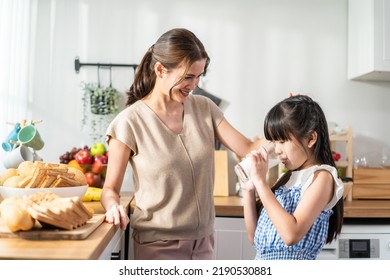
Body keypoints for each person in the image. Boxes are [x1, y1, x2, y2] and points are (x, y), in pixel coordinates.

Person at [100, 28, 266, 260]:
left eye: (199, 76)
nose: (194, 84)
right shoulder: (129, 122)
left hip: (204, 242)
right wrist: (112, 206)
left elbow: (248, 149)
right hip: (157, 244)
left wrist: (288, 124)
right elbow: (109, 190)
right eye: (188, 76)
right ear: (160, 70)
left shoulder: (205, 108)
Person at [241, 95, 344, 260]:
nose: (277, 150)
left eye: (282, 141)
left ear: (310, 138)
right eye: (274, 142)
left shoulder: (322, 177)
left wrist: (261, 182)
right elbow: (256, 239)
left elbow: (291, 235)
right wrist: (249, 190)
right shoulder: (287, 180)